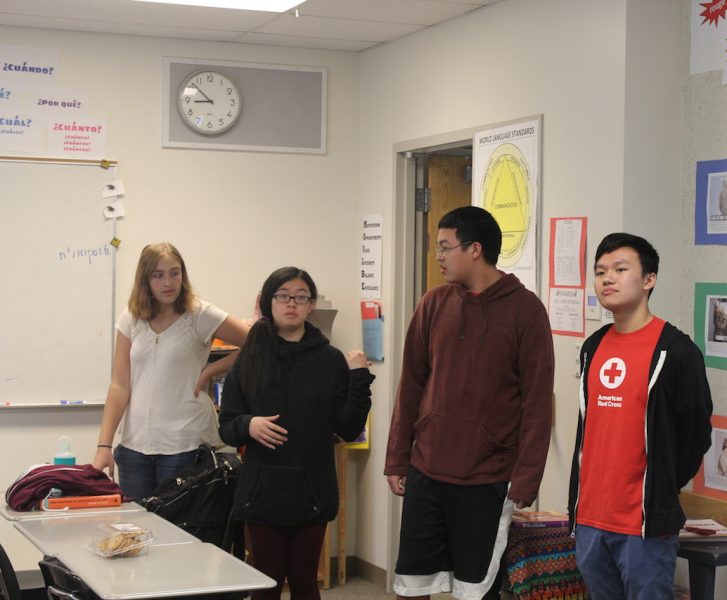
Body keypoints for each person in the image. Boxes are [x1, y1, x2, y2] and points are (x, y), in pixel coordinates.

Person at [385, 206, 554, 600]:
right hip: (427, 468)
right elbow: (410, 385)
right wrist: (397, 458)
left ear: (475, 249)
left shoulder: (525, 311)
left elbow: (536, 405)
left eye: (445, 247)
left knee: (477, 590)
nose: (439, 257)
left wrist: (526, 479)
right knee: (411, 585)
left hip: (488, 477)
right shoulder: (433, 303)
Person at [567, 233, 713, 600]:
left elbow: (695, 435)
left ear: (649, 279)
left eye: (619, 269)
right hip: (590, 518)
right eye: (600, 272)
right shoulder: (593, 346)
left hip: (643, 523)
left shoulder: (677, 352)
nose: (607, 279)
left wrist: (662, 486)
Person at [218, 266, 373, 600]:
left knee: (305, 583)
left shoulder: (329, 361)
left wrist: (360, 379)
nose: (292, 303)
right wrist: (249, 424)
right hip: (263, 492)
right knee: (266, 583)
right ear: (268, 302)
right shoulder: (250, 358)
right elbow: (227, 427)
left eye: (301, 297)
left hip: (312, 490)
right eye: (283, 296)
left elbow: (347, 428)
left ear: (311, 305)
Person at [91, 242, 248, 500]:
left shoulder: (199, 313)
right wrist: (104, 445)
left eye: (174, 273)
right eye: (158, 275)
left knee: (178, 532)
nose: (168, 282)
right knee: (135, 531)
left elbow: (258, 342)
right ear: (145, 279)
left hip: (184, 445)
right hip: (134, 448)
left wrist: (211, 370)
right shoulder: (131, 317)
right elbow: (120, 384)